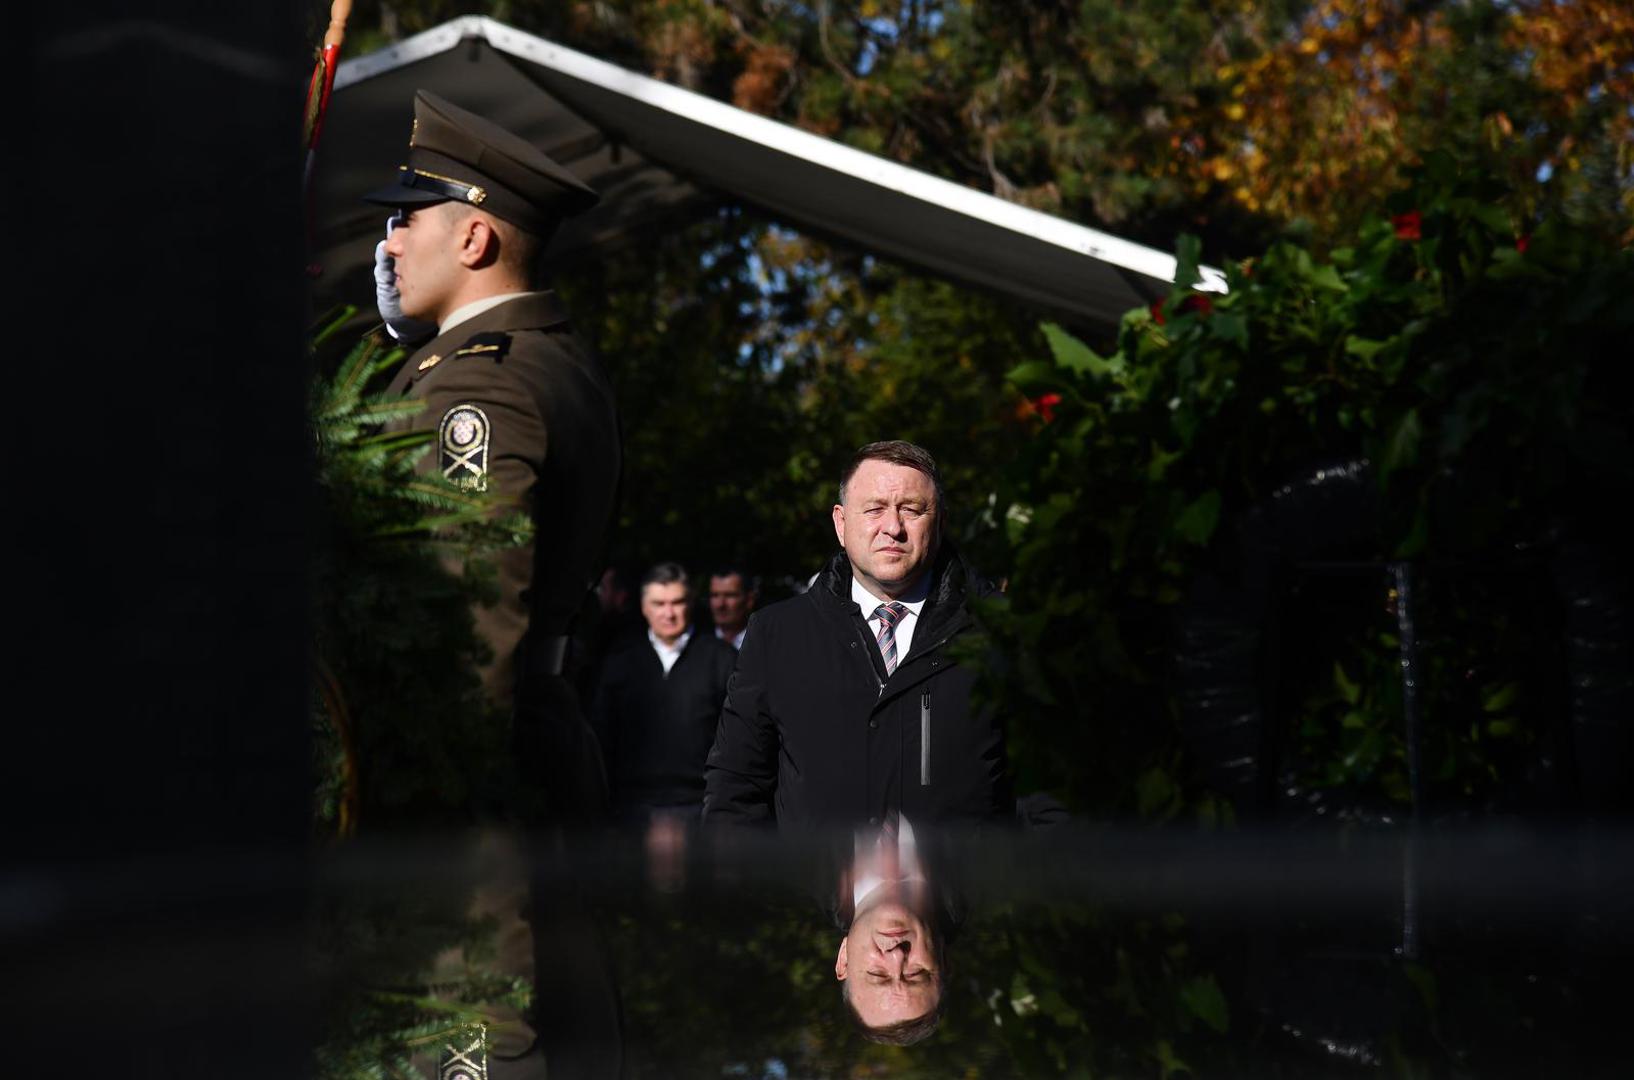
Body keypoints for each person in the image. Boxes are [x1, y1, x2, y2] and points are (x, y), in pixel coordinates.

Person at [363, 90, 622, 1079]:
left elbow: (462, 625)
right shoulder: (541, 359)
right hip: (538, 753)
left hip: (474, 791)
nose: (387, 245)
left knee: (474, 1036)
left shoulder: (479, 384)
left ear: (473, 236)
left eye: (406, 219)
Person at [702, 440, 1013, 829]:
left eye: (912, 510)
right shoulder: (777, 634)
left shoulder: (999, 632)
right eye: (874, 509)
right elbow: (735, 788)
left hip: (963, 888)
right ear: (841, 523)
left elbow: (1041, 794)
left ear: (941, 522)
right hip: (813, 889)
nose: (893, 528)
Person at [591, 563, 737, 820]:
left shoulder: (722, 660)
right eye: (659, 604)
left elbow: (737, 740)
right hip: (631, 808)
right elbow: (603, 736)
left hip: (702, 807)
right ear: (644, 607)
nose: (668, 613)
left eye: (677, 602)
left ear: (690, 603)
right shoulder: (620, 661)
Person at [708, 566, 757, 649]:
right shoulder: (694, 645)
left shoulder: (765, 642)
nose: (720, 604)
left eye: (730, 595)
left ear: (749, 600)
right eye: (715, 595)